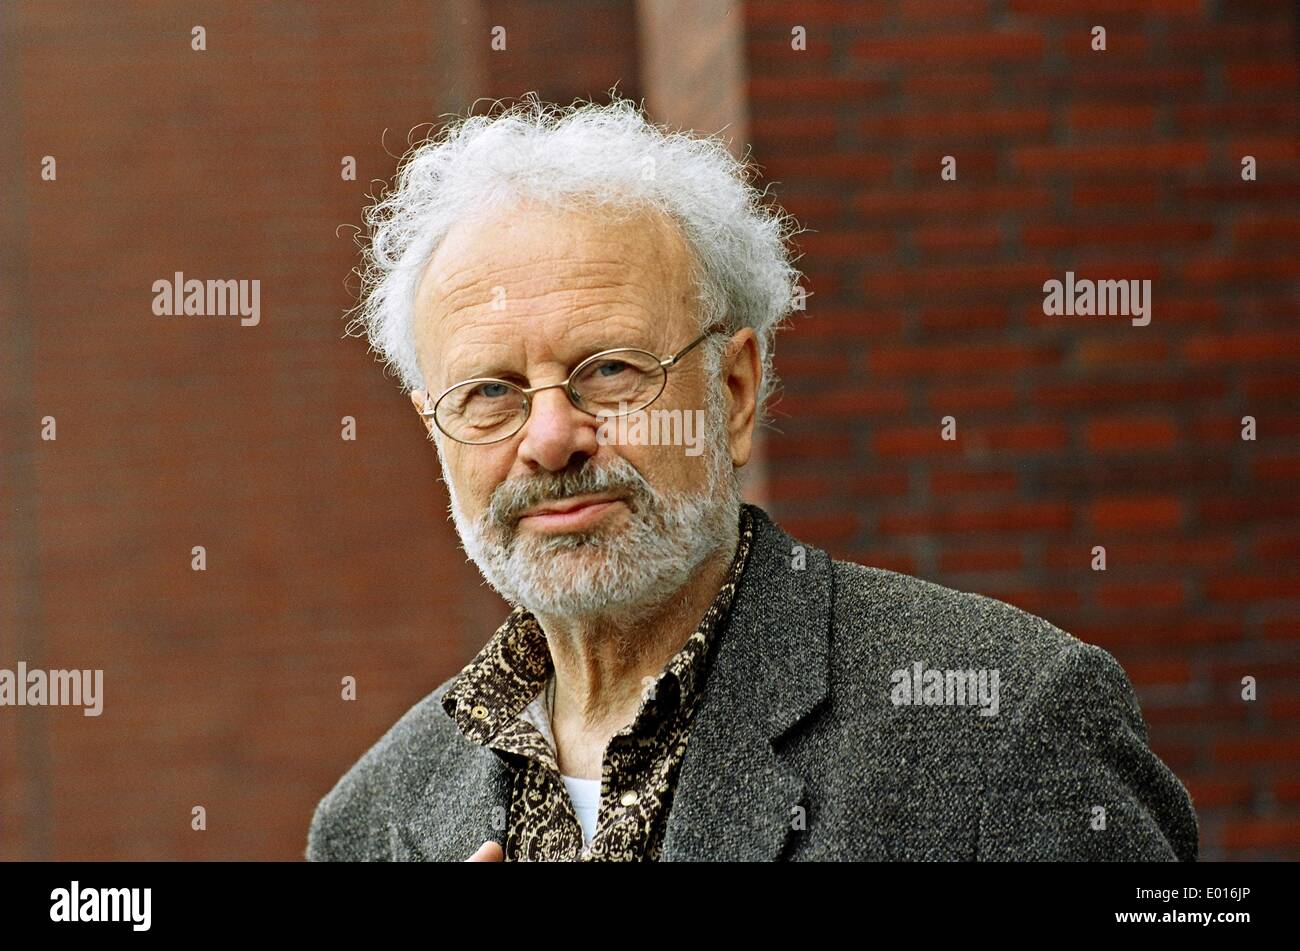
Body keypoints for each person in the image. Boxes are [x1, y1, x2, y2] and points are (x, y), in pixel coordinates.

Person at [306, 94, 1198, 862]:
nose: (550, 437)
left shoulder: (1008, 722)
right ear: (437, 432)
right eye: (490, 392)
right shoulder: (371, 818)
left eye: (611, 369)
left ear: (733, 392)